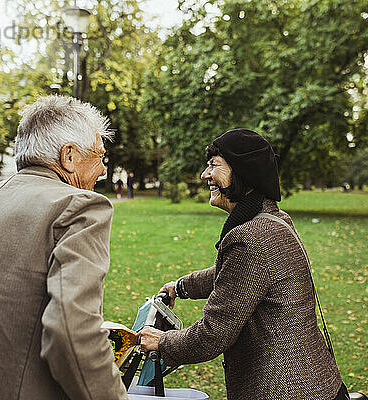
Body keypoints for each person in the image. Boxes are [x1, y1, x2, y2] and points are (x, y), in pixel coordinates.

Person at [0, 96, 127, 400]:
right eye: (99, 156)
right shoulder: (81, 208)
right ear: (70, 156)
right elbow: (72, 335)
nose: (102, 169)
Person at [138, 129, 348, 399]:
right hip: (319, 383)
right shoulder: (274, 219)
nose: (205, 175)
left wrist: (161, 342)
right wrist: (180, 287)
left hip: (284, 390)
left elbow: (213, 334)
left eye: (214, 165)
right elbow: (236, 278)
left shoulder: (249, 238)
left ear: (242, 173)